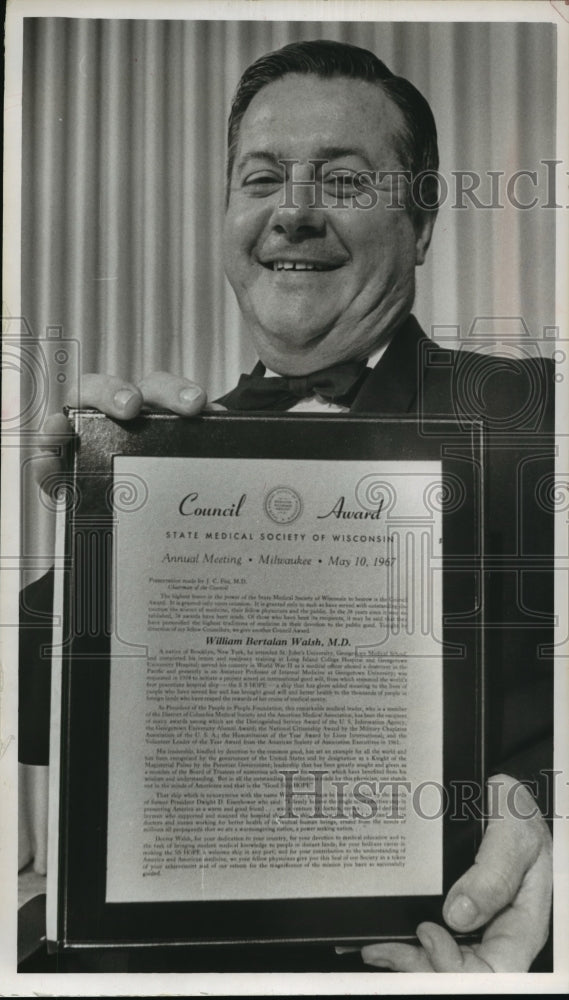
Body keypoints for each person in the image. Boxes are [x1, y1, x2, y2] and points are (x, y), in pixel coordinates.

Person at [22, 40, 554, 973]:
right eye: (261, 178)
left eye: (344, 183)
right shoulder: (161, 463)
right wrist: (96, 539)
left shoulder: (542, 421)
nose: (294, 213)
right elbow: (42, 727)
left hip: (467, 953)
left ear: (421, 223)